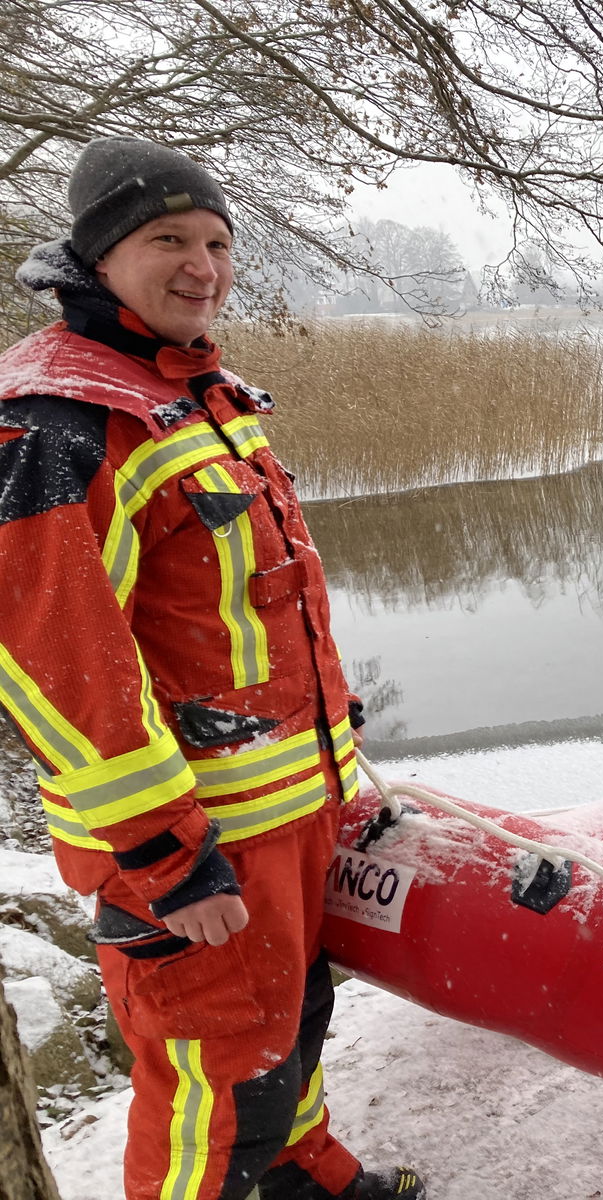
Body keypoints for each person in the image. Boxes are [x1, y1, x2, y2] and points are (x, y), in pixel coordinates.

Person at [0, 138, 424, 1199]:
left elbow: (239, 617)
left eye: (217, 241)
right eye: (167, 241)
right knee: (213, 1083)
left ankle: (300, 1178)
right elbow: (58, 665)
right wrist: (162, 855)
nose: (203, 266)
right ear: (97, 259)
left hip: (284, 807)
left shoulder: (191, 391)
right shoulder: (60, 419)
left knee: (289, 1026)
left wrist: (336, 764)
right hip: (193, 839)